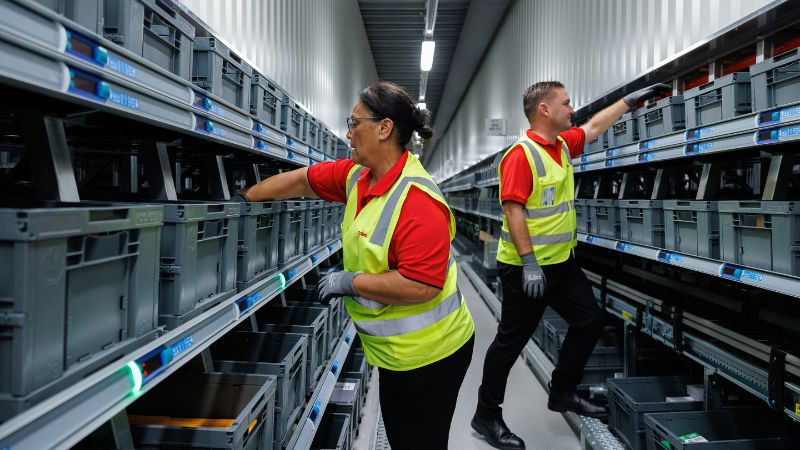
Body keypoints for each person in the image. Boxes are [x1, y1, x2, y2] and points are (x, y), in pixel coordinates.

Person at [234, 81, 476, 450]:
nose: (348, 132)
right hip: (396, 352)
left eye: (354, 122)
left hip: (431, 356)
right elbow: (303, 180)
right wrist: (244, 199)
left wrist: (351, 282)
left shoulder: (418, 201)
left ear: (384, 129)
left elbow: (422, 285)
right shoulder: (357, 177)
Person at [471, 81, 671, 450]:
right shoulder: (521, 154)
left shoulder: (561, 145)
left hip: (561, 264)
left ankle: (562, 391)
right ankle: (486, 415)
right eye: (565, 103)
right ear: (544, 110)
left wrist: (628, 101)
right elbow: (513, 210)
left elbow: (594, 126)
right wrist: (529, 263)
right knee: (509, 344)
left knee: (589, 321)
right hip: (525, 270)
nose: (572, 108)